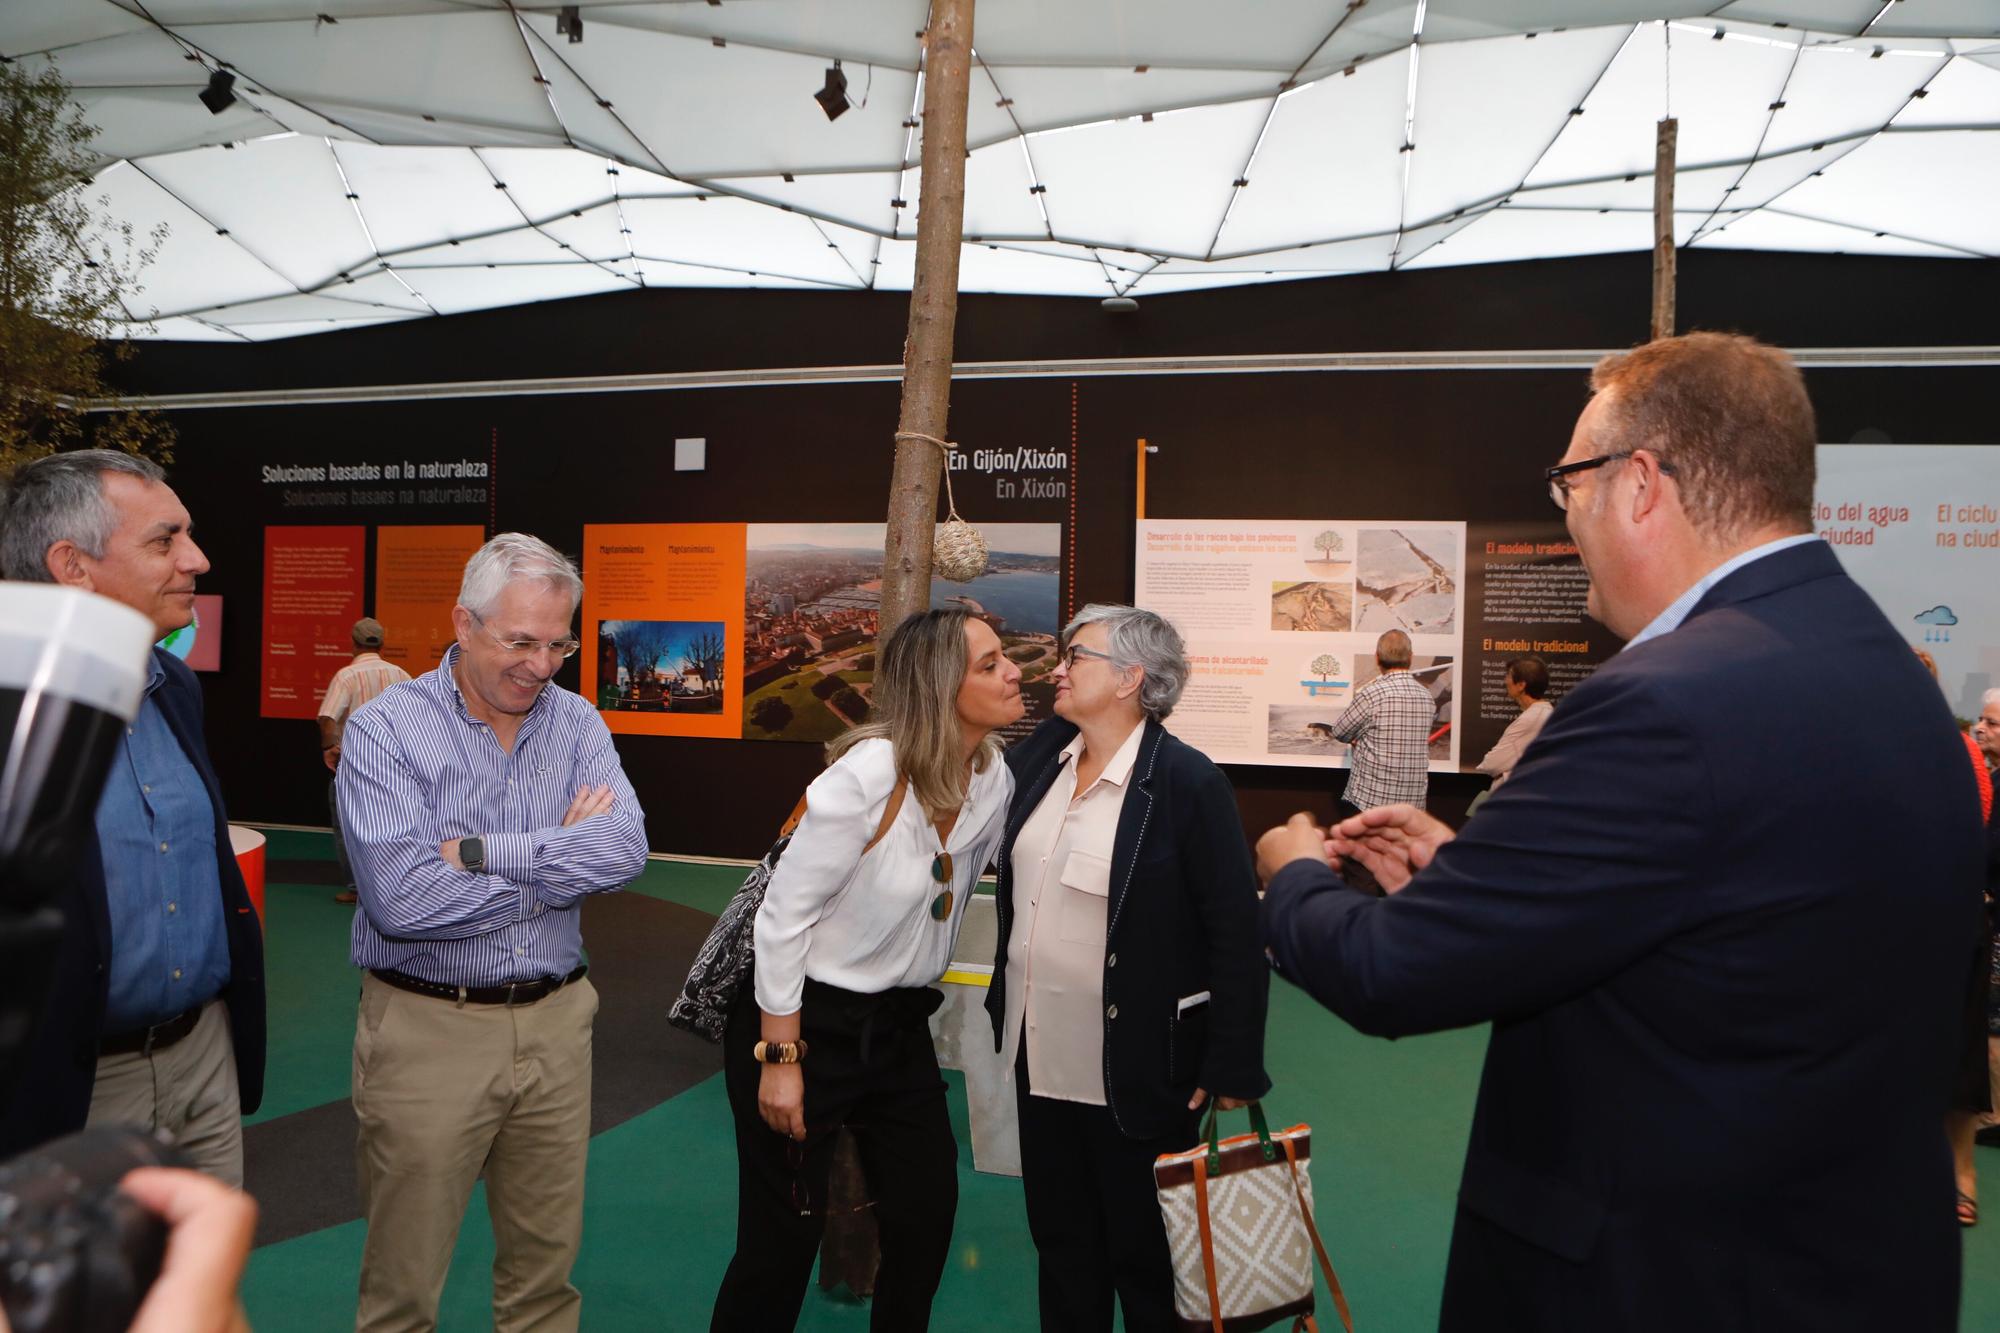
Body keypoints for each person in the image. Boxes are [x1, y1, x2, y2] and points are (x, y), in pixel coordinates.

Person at [1255, 332, 1984, 1331]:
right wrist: (1480, 875)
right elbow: (1743, 925)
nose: (1565, 515)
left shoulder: (1665, 700)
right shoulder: (1895, 680)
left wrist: (1293, 873)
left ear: (1638, 483)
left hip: (1665, 1280)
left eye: (1568, 482)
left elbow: (1390, 971)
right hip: (1849, 1269)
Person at [337, 532, 648, 1332]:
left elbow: (624, 848)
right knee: (402, 1292)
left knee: (545, 1283)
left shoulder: (577, 722)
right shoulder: (386, 731)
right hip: (426, 1030)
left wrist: (481, 855)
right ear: (463, 623)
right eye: (520, 640)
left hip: (556, 1023)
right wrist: (558, 868)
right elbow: (401, 901)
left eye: (558, 642)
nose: (541, 665)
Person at [711, 608, 1021, 1333]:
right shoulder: (869, 775)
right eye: (990, 663)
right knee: (781, 1237)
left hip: (900, 1024)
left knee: (925, 1211)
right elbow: (781, 920)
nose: (1013, 672)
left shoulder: (992, 777)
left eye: (1006, 658)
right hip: (803, 1021)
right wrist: (781, 1058)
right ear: (940, 685)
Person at [986, 604, 1269, 1332]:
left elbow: (1235, 929)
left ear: (1128, 678)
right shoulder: (1040, 765)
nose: (1056, 666)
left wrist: (1232, 1059)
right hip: (1038, 1056)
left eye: (1074, 655)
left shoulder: (1187, 782)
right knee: (1063, 1251)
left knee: (1147, 1262)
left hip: (1140, 1067)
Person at [0, 450, 266, 1183]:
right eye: (164, 540)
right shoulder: (9, 710)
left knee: (201, 1294)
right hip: (70, 1091)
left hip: (202, 1066)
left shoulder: (174, 684)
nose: (198, 559)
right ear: (72, 565)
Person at [318, 617, 410, 904]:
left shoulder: (347, 675)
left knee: (348, 825)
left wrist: (330, 746)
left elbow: (327, 717)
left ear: (353, 643)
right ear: (382, 643)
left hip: (355, 765)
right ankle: (394, 884)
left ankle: (356, 888)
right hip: (394, 765)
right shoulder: (400, 674)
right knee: (394, 824)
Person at [1329, 628, 1432, 820]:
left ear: (1377, 658)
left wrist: (1358, 737)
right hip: (1413, 805)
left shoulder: (1371, 694)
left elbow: (1339, 731)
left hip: (1371, 803)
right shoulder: (1426, 697)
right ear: (1411, 657)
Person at [1472, 655, 1551, 789]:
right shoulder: (1543, 713)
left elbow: (1492, 763)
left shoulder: (1532, 718)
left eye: (1508, 676)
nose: (1505, 680)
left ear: (1521, 685)